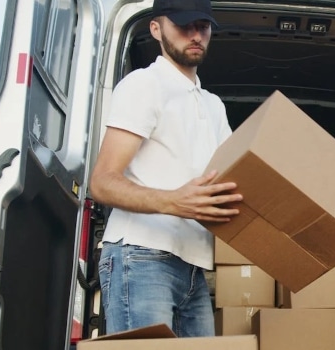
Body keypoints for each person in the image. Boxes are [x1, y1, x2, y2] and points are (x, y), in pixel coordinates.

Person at [89, 0, 241, 337]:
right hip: (141, 257)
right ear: (156, 29)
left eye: (202, 25)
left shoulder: (213, 106)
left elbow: (234, 180)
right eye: (184, 25)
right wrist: (174, 202)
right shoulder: (145, 85)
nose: (195, 34)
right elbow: (101, 183)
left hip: (194, 267)